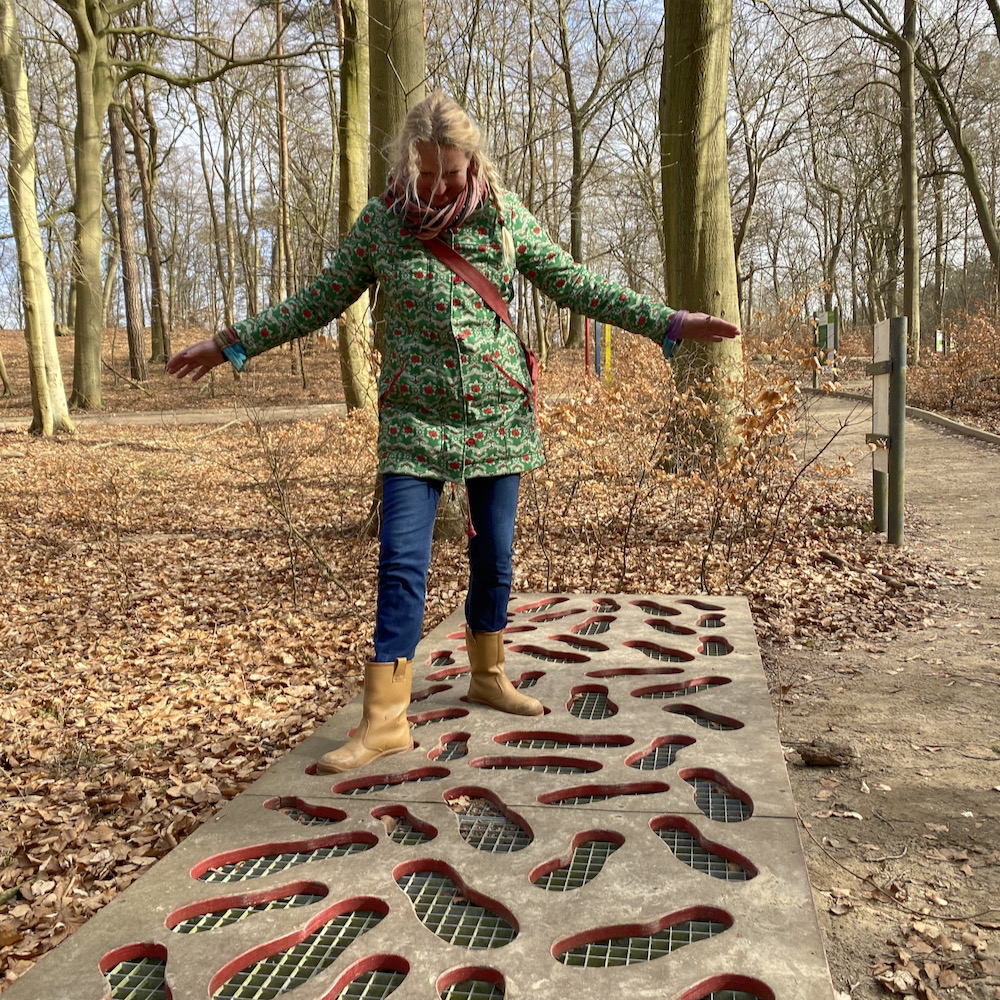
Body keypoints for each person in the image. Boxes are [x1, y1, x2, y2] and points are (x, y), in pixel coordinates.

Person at [167, 90, 739, 774]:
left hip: (499, 415)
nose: (440, 185)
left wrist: (669, 322)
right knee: (401, 563)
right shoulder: (381, 225)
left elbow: (576, 286)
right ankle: (384, 719)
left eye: (452, 171)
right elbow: (316, 299)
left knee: (494, 556)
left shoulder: (501, 218)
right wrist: (230, 343)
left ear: (474, 161)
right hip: (413, 419)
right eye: (427, 172)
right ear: (407, 163)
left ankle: (488, 674)